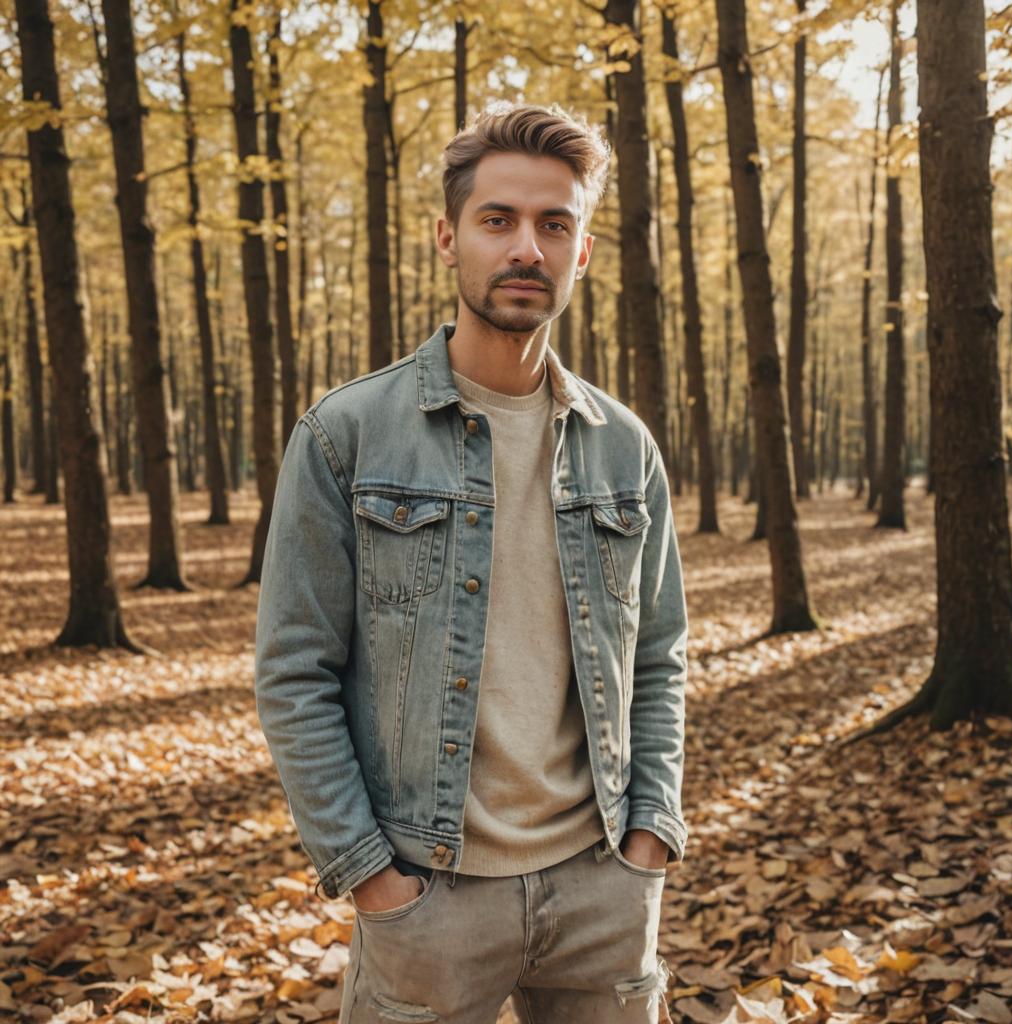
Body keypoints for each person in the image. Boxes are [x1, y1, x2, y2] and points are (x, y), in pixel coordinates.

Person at [254, 102, 688, 1024]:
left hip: (601, 886)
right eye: (499, 220)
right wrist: (372, 879)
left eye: (553, 223)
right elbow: (295, 674)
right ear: (449, 238)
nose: (526, 247)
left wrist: (649, 839)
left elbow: (659, 656)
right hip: (428, 896)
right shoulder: (346, 437)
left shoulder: (626, 448)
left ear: (584, 251)